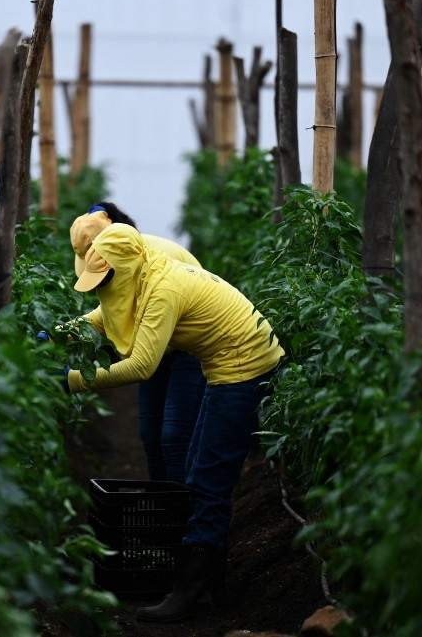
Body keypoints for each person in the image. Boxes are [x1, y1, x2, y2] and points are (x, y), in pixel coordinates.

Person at [65, 223, 285, 623]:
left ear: (124, 266)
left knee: (208, 475)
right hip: (224, 366)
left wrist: (73, 381)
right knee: (199, 465)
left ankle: (193, 586)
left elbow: (143, 366)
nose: (102, 284)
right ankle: (212, 584)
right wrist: (53, 335)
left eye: (105, 275)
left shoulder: (163, 289)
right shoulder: (142, 272)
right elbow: (100, 315)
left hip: (244, 367)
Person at [69, 203, 206, 484]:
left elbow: (143, 364)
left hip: (188, 346)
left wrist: (73, 379)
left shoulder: (152, 258)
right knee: (150, 433)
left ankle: (181, 510)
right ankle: (160, 502)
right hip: (156, 344)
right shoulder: (118, 263)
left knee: (175, 435)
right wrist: (63, 331)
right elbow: (108, 312)